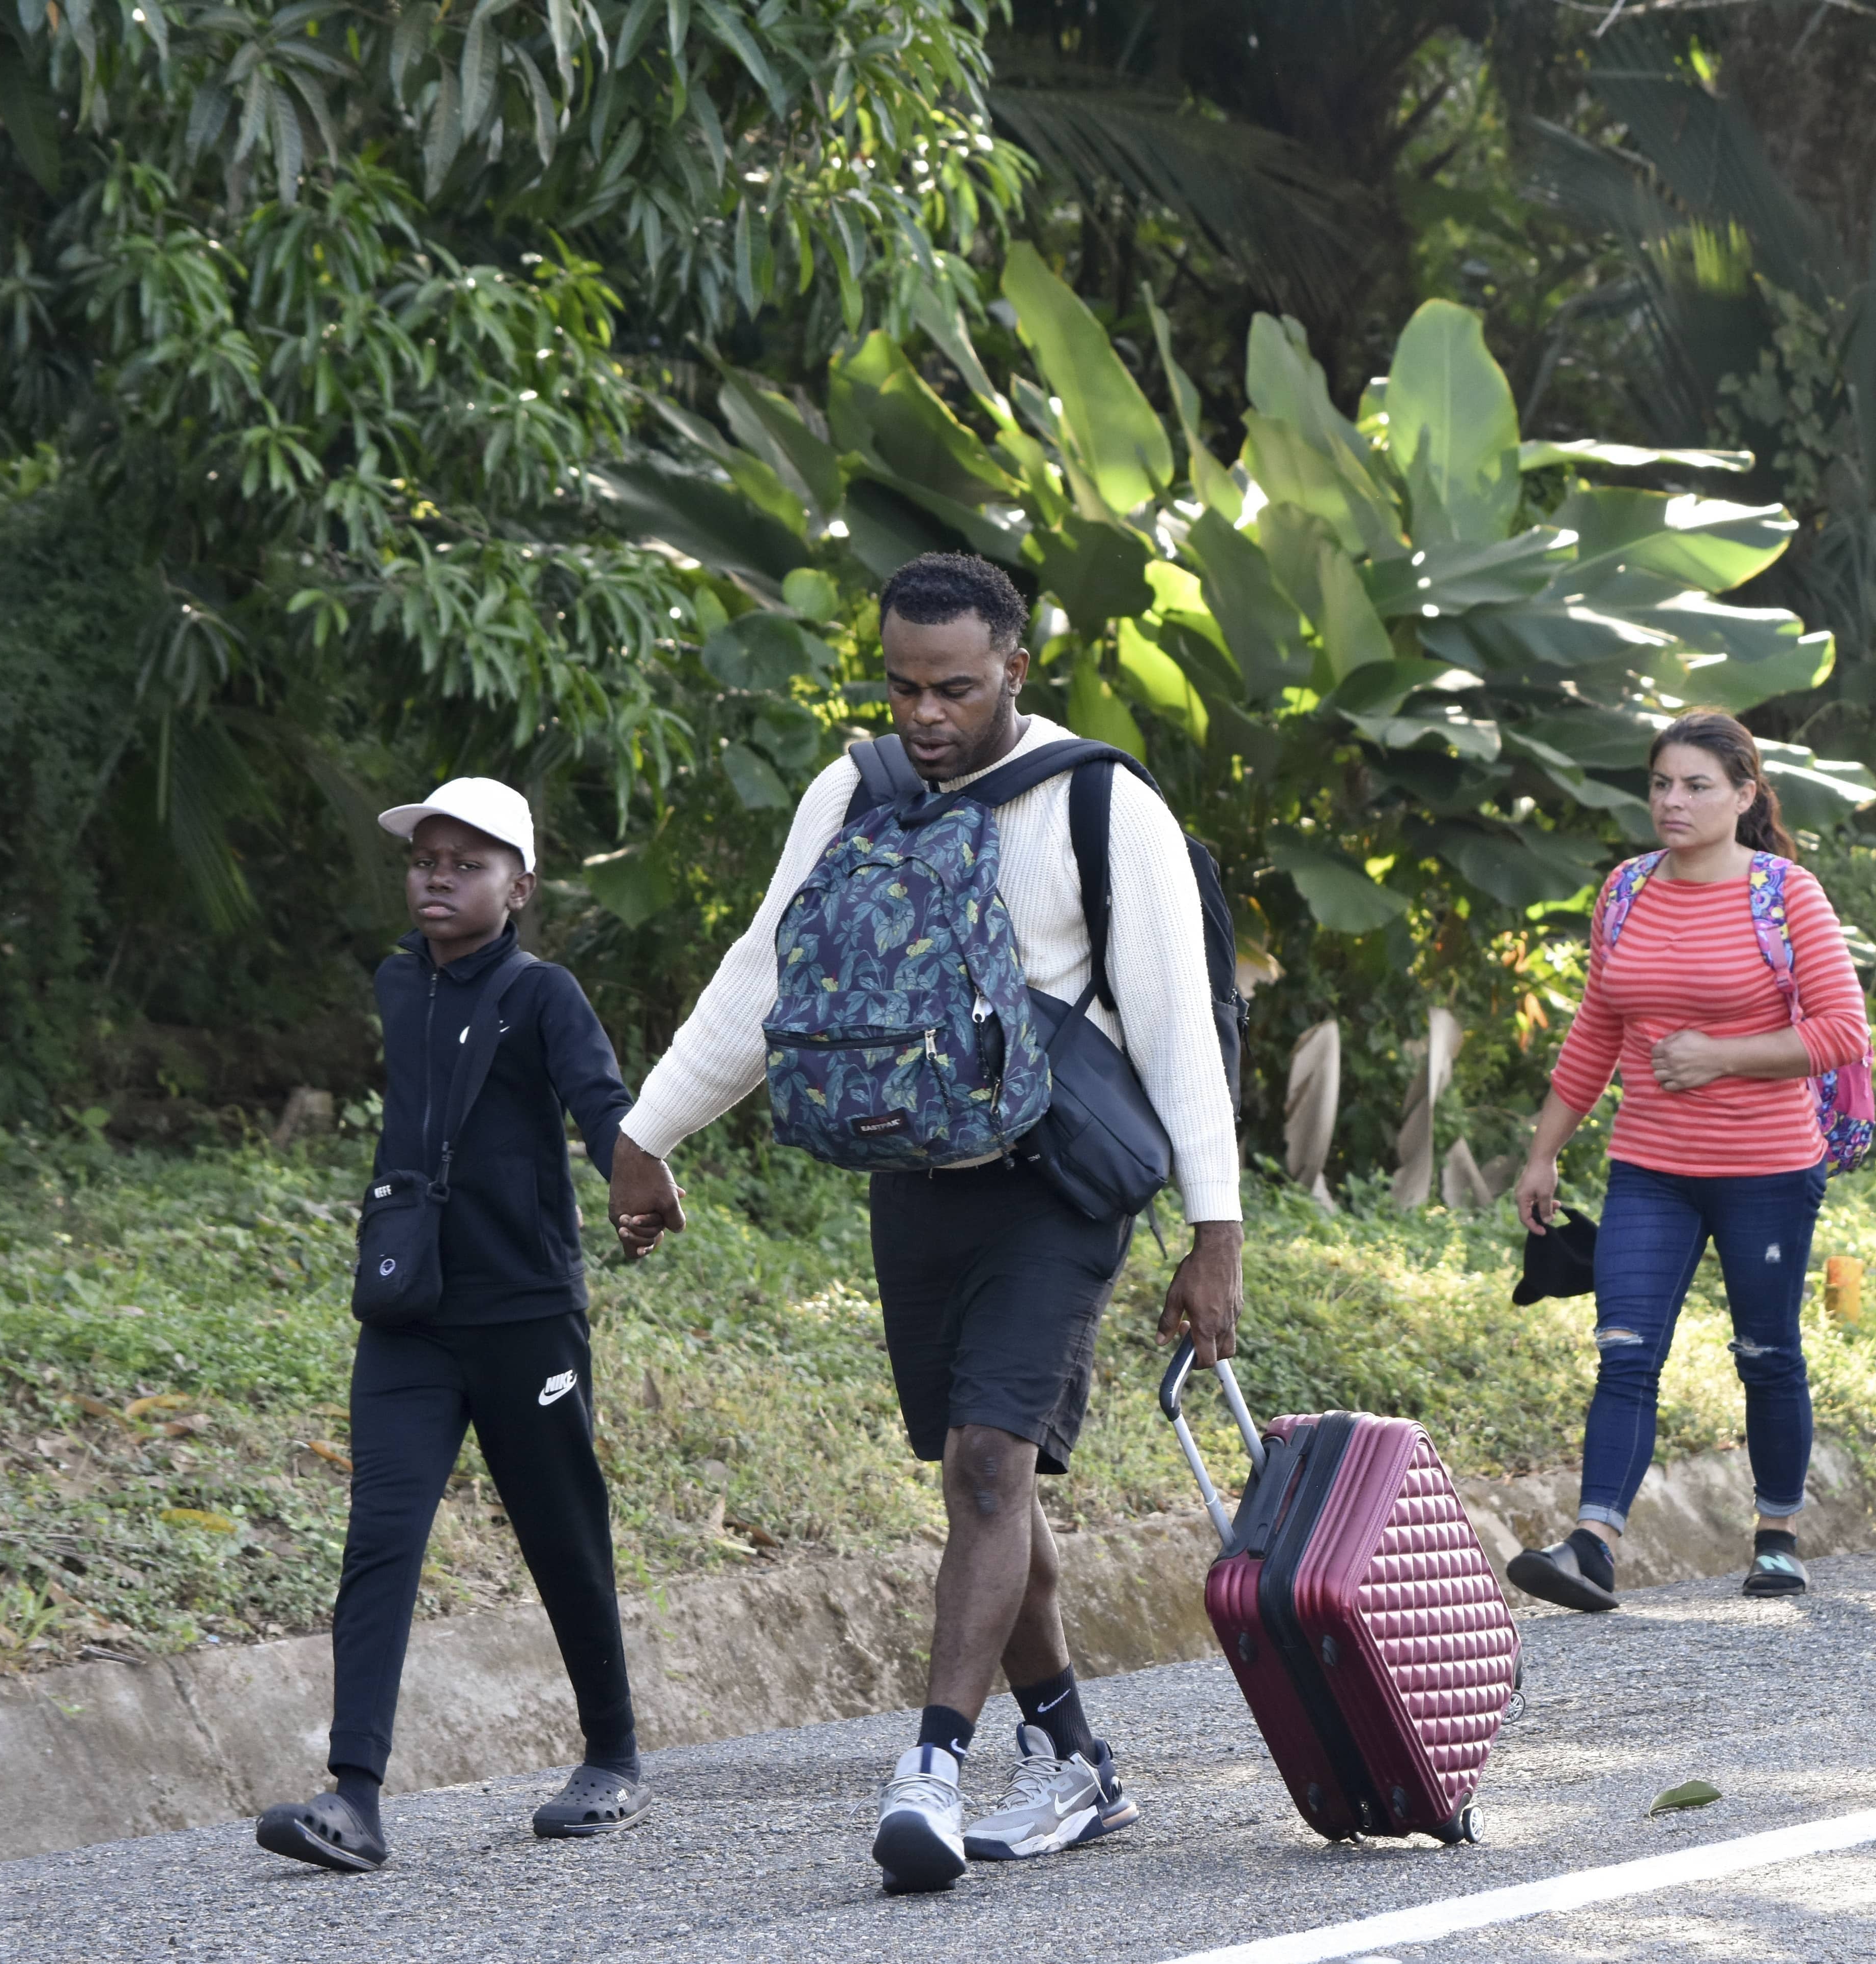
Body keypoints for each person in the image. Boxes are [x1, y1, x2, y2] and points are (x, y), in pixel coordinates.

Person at [603, 553, 1244, 1894]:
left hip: (1058, 1179)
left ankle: (933, 1769)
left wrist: (1213, 1230)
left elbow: (1179, 1019)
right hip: (913, 1166)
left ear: (1015, 665)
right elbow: (768, 962)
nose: (925, 714)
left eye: (954, 686)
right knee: (977, 1482)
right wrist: (649, 1128)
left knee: (988, 1464)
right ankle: (1073, 1755)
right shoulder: (856, 790)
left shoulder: (1097, 801)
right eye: (902, 685)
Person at [256, 778, 646, 1872]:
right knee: (381, 1536)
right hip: (410, 1309)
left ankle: (611, 1756)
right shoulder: (397, 983)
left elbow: (601, 1103)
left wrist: (635, 1172)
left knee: (561, 1531)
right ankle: (355, 1798)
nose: (437, 875)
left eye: (466, 862)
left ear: (517, 886)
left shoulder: (545, 994)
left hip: (524, 1311)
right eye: (425, 858)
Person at [1505, 710, 1870, 1610]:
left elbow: (1840, 1032)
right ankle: (1593, 1544)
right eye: (1662, 783)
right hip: (1650, 1167)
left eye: (1697, 785)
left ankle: (1777, 1534)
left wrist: (1722, 1055)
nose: (1673, 801)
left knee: (1766, 1351)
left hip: (1770, 1170)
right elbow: (1598, 1028)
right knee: (1625, 1350)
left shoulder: (1787, 893)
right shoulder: (1626, 890)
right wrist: (1544, 1152)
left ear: (1745, 796)